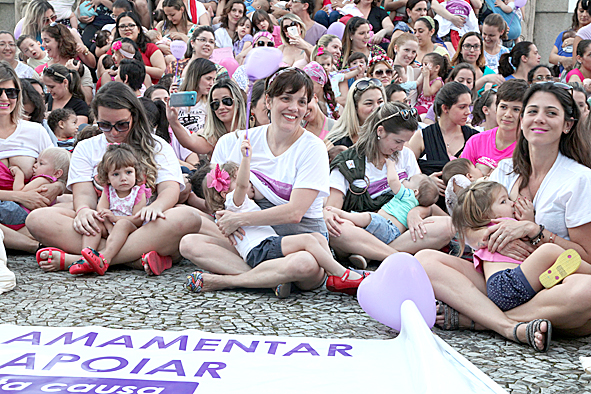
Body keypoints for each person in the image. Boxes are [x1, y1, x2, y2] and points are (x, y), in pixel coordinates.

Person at [415, 82, 591, 352]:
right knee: (424, 260)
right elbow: (468, 226)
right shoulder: (505, 170)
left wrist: (535, 233)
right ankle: (511, 324)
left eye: (551, 113)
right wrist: (494, 237)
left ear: (567, 125)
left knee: (586, 291)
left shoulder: (580, 179)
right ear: (523, 121)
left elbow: (586, 257)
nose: (539, 119)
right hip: (499, 275)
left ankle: (479, 319)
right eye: (532, 111)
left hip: (551, 282)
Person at [178, 68, 330, 298]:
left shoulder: (313, 148)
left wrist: (239, 219)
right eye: (286, 99)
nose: (294, 108)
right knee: (189, 243)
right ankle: (271, 280)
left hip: (299, 240)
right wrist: (229, 216)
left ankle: (226, 281)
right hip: (255, 240)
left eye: (301, 101)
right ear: (268, 101)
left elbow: (295, 213)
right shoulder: (242, 141)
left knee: (304, 264)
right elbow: (224, 200)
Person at [28, 82, 201, 274]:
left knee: (188, 217)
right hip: (102, 221)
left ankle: (83, 259)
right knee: (37, 219)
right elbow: (84, 193)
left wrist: (156, 207)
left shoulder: (157, 145)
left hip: (144, 222)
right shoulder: (86, 147)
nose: (114, 132)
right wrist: (84, 211)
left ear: (134, 116)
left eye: (121, 125)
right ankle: (132, 259)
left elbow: (170, 189)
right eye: (105, 125)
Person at [188, 138, 365, 295]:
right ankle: (341, 274)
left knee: (317, 237)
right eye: (238, 178)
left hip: (265, 246)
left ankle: (330, 275)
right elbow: (241, 185)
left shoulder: (231, 207)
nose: (250, 182)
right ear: (224, 191)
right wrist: (245, 158)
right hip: (261, 248)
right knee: (309, 241)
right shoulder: (233, 202)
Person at [325, 101, 454, 269]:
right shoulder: (347, 162)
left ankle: (370, 254)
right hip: (362, 230)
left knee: (447, 226)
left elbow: (421, 194)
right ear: (380, 131)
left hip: (398, 231)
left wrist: (416, 212)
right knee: (337, 228)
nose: (401, 148)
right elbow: (332, 211)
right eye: (398, 141)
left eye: (404, 142)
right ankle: (396, 257)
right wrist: (330, 215)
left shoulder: (405, 155)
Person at [452, 181, 591, 326]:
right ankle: (587, 271)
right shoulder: (503, 226)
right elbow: (531, 245)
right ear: (485, 215)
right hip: (506, 283)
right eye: (504, 201)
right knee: (549, 250)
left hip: (504, 287)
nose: (512, 204)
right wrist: (528, 221)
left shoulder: (492, 230)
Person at [0, 61, 58, 253]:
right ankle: (36, 246)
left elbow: (62, 170)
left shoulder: (35, 131)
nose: (4, 98)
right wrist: (20, 196)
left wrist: (56, 187)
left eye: (11, 92)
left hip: (35, 211)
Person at [70, 144, 151, 276]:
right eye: (116, 174)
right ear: (107, 177)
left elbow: (137, 218)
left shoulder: (138, 192)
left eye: (128, 172)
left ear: (136, 173)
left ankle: (105, 258)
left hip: (131, 230)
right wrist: (108, 226)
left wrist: (115, 220)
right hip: (110, 227)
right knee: (93, 221)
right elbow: (101, 209)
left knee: (122, 224)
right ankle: (86, 256)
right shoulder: (109, 190)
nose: (123, 178)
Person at [408, 82, 478, 208]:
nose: (468, 112)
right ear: (445, 108)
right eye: (462, 107)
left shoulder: (474, 137)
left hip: (466, 207)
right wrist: (426, 181)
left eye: (469, 106)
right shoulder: (423, 136)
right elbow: (404, 170)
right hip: (429, 207)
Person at [460, 79, 528, 176]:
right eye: (503, 107)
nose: (508, 114)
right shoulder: (475, 141)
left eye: (516, 109)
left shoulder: (529, 147)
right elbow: (460, 179)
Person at [168, 78, 247, 157]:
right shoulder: (214, 138)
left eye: (226, 101)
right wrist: (173, 121)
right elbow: (189, 142)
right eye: (216, 104)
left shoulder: (251, 129)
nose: (221, 107)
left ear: (238, 102)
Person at [38, 23, 94, 103]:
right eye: (42, 41)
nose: (43, 45)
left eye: (47, 41)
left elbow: (87, 100)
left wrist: (73, 75)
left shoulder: (78, 67)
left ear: (60, 42)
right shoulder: (41, 70)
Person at [324, 77, 385, 150]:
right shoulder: (335, 142)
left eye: (380, 102)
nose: (376, 108)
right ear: (355, 107)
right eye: (369, 103)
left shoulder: (392, 134)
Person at [113, 12, 166, 84]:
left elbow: (161, 72)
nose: (127, 29)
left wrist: (135, 67)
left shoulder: (150, 47)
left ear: (138, 29)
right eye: (122, 26)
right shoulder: (114, 48)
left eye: (131, 25)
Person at [550, 0, 591, 74]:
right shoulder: (565, 35)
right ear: (576, 12)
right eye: (581, 11)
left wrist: (576, 41)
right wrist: (563, 60)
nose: (584, 15)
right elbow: (551, 57)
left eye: (588, 11)